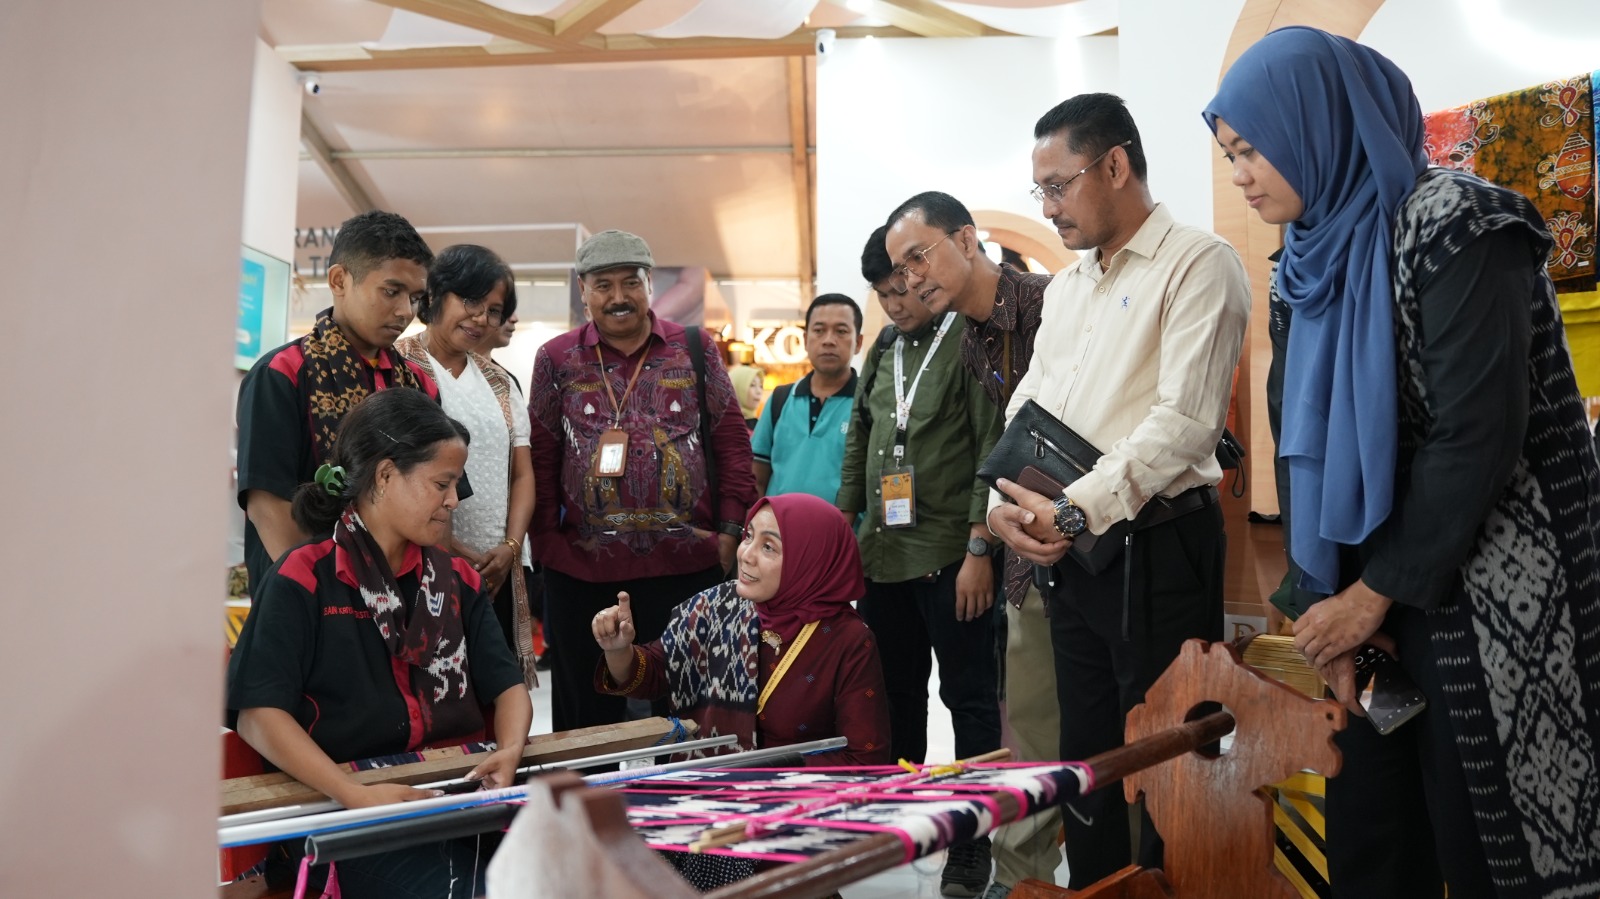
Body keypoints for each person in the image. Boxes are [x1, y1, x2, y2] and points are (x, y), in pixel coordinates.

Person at [1206, 27, 1600, 898]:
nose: (1240, 172)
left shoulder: (1458, 223)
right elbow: (1297, 446)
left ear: (1320, 122)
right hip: (1366, 611)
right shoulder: (1299, 263)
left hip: (1487, 593)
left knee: (1490, 842)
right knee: (1373, 846)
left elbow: (1475, 432)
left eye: (1252, 147)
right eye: (1229, 153)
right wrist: (1325, 609)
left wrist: (1369, 595)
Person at [985, 93, 1250, 888]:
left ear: (1116, 165)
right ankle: (1096, 884)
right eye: (1039, 190)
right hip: (1073, 555)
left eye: (1059, 185)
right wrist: (1002, 510)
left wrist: (1073, 509)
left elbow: (1185, 425)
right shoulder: (1067, 288)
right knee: (1089, 754)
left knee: (1168, 755)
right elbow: (1024, 409)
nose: (1048, 207)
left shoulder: (1199, 262)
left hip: (1159, 544)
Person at [227, 388, 532, 899]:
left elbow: (508, 688)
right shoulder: (304, 578)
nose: (454, 501)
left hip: (456, 796)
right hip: (344, 816)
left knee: (566, 874)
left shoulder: (458, 582)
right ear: (386, 476)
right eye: (443, 483)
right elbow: (258, 714)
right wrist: (352, 794)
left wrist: (510, 751)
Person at [886, 191, 1059, 895]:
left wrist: (975, 549)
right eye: (900, 266)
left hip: (1099, 541)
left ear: (965, 237)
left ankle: (1124, 871)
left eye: (919, 254)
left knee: (1112, 727)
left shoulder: (1056, 305)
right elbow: (995, 452)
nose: (911, 276)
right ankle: (1019, 877)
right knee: (1027, 727)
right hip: (1023, 555)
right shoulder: (965, 340)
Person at [527, 229, 758, 734]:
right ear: (583, 290)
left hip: (687, 567)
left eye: (630, 282)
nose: (617, 297)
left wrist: (731, 531)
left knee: (686, 712)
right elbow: (541, 456)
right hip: (580, 571)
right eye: (602, 285)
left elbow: (731, 442)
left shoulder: (695, 348)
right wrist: (544, 545)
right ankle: (583, 811)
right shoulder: (555, 358)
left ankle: (685, 811)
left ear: (650, 284)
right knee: (586, 721)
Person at [838, 225, 1004, 899]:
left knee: (967, 699)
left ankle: (971, 842)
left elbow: (990, 446)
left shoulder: (964, 336)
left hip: (950, 557)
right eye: (881, 292)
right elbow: (862, 438)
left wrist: (977, 548)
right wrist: (842, 528)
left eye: (902, 286)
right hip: (882, 557)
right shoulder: (884, 346)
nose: (895, 303)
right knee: (894, 696)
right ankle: (906, 819)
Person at [592, 492, 890, 765]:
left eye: (769, 547)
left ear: (809, 560)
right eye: (748, 536)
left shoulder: (847, 640)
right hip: (707, 797)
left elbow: (865, 758)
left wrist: (769, 775)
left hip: (794, 807)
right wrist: (619, 651)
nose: (746, 554)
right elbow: (654, 674)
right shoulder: (716, 607)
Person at [236, 210, 436, 597]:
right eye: (391, 291)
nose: (405, 312)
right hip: (310, 597)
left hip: (403, 593)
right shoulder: (283, 373)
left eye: (415, 298)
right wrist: (328, 595)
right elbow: (269, 507)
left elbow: (437, 497)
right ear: (339, 280)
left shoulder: (419, 384)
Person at [395, 244, 537, 684]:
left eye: (494, 311)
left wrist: (510, 549)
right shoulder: (399, 367)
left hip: (498, 567)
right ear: (437, 294)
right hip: (419, 561)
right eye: (471, 301)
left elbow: (523, 473)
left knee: (494, 686)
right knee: (432, 687)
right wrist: (457, 552)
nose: (481, 319)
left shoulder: (500, 380)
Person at [751, 293, 863, 501]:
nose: (829, 341)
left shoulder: (869, 403)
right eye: (819, 331)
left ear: (858, 342)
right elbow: (757, 478)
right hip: (779, 531)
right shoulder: (780, 399)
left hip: (843, 532)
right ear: (805, 340)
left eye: (841, 331)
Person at [729, 364, 765, 430]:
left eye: (761, 386)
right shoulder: (728, 428)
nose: (759, 391)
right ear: (737, 387)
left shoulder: (762, 426)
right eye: (752, 385)